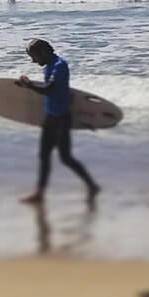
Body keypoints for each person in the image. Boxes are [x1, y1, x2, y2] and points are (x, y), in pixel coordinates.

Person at [16, 38, 99, 205]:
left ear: (43, 52)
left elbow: (49, 89)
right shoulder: (50, 65)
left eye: (34, 56)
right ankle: (39, 193)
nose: (33, 61)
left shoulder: (60, 66)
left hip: (61, 118)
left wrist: (29, 85)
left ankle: (92, 185)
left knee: (65, 158)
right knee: (44, 155)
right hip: (50, 116)